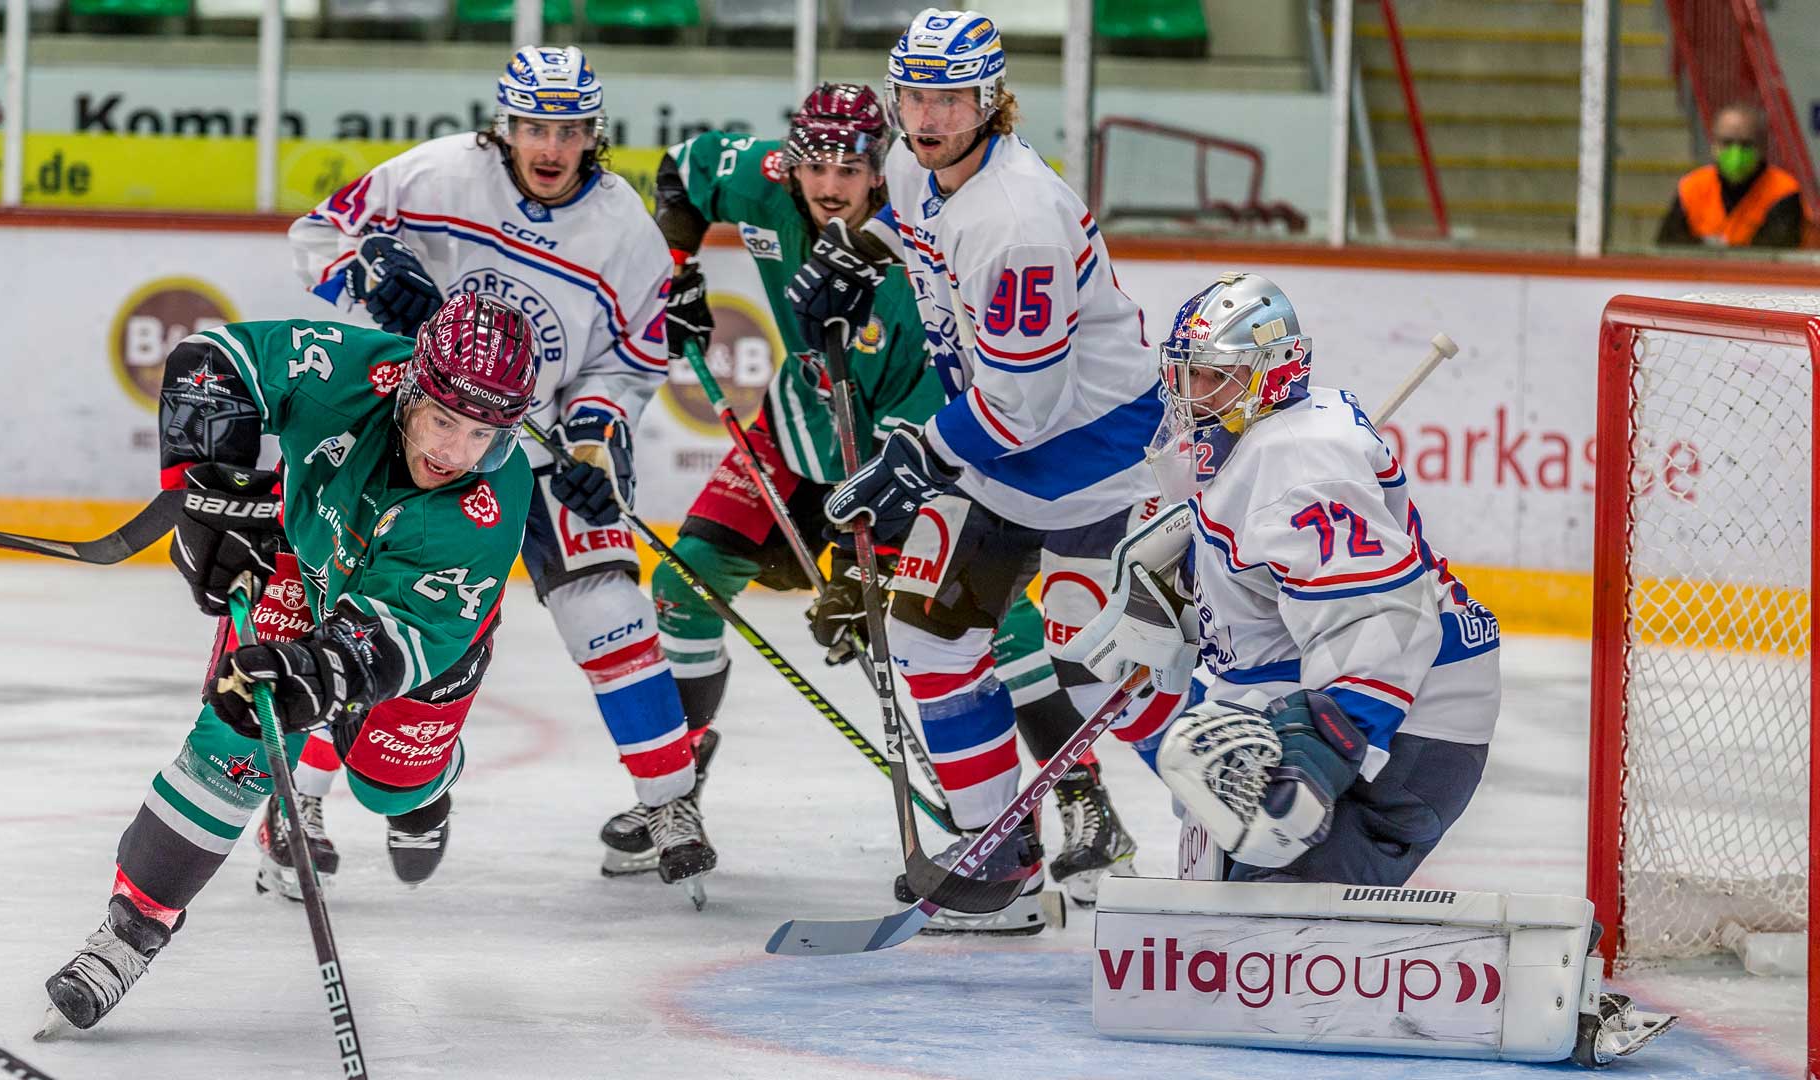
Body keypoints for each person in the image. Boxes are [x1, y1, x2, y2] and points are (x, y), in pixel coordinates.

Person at [634, 82, 1138, 904]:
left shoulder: (912, 276)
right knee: (683, 584)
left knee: (986, 623)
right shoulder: (756, 178)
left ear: (883, 171)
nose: (830, 185)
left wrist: (856, 571)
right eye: (815, 165)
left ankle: (1081, 799)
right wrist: (679, 274)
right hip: (794, 439)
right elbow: (676, 175)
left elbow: (920, 451)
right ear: (790, 162)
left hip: (901, 456)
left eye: (851, 168)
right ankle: (673, 791)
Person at [38, 293, 538, 1035]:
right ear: (408, 389)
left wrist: (316, 675)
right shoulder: (347, 373)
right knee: (237, 736)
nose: (455, 453)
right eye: (443, 421)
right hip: (303, 568)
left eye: (482, 434)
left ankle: (428, 790)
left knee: (387, 786)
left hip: (418, 649)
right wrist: (207, 488)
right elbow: (209, 365)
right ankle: (131, 931)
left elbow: (391, 641)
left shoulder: (487, 505)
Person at [287, 47, 710, 898]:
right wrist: (371, 271)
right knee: (361, 614)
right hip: (424, 427)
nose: (550, 145)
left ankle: (670, 804)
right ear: (504, 125)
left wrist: (593, 443)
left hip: (540, 434)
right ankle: (297, 802)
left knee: (607, 604)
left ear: (595, 134)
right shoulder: (436, 174)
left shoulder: (625, 226)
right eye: (533, 125)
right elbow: (317, 234)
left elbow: (627, 360)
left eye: (569, 128)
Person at [790, 9, 1165, 934]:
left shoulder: (1017, 219)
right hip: (1005, 459)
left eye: (951, 98)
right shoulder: (919, 165)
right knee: (924, 636)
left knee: (1099, 667)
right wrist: (850, 253)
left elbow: (1024, 407)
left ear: (990, 101)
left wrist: (916, 454)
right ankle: (1000, 858)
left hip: (1097, 459)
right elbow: (909, 228)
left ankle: (1241, 825)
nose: (928, 116)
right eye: (915, 93)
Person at [1068, 272, 1501, 885]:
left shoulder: (1300, 464)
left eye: (1213, 375)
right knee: (1203, 783)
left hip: (1408, 725)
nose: (1192, 392)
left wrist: (1328, 743)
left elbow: (1378, 617)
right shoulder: (1252, 440)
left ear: (1269, 374)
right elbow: (1273, 577)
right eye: (1187, 372)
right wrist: (1187, 590)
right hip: (1345, 693)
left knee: (1270, 924)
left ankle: (1493, 965)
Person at [1657, 102, 1804, 249]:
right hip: (1699, 271)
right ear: (1714, 145)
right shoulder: (1692, 186)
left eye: (1745, 144)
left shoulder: (1783, 190)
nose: (1736, 153)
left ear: (1762, 146)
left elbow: (1773, 252)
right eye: (1727, 143)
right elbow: (1667, 245)